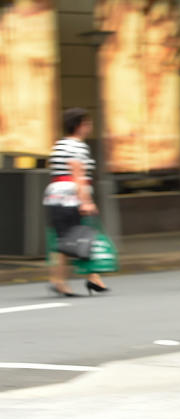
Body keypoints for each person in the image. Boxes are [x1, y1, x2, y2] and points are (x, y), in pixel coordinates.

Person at [44, 108, 109, 297]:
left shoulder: (59, 145)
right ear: (79, 125)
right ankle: (59, 280)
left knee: (75, 237)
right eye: (87, 124)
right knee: (72, 240)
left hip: (55, 197)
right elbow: (78, 174)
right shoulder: (77, 146)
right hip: (69, 198)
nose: (89, 127)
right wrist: (86, 201)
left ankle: (93, 277)